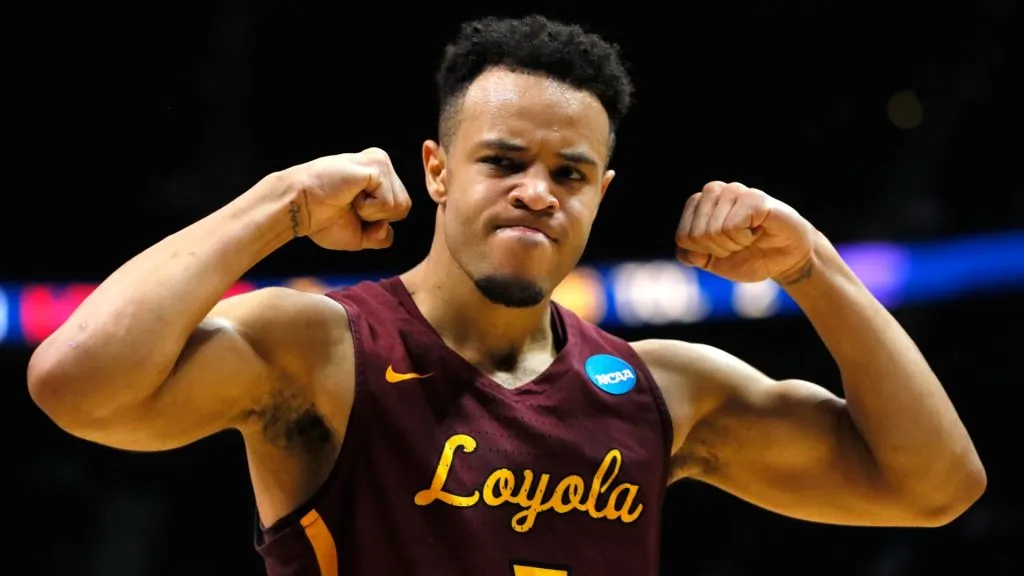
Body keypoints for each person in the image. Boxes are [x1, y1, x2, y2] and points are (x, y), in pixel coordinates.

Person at [28, 14, 984, 576]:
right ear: (436, 170)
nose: (538, 189)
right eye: (504, 161)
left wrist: (810, 264)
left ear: (602, 195)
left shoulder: (663, 389)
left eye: (571, 173)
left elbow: (934, 488)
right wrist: (276, 205)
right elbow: (78, 382)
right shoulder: (322, 348)